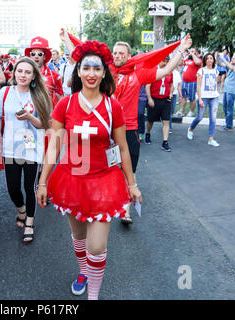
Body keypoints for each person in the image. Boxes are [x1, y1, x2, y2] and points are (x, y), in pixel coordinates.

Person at [37, 40, 142, 300]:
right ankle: (83, 271)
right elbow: (54, 146)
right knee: (79, 236)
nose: (92, 74)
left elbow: (123, 149)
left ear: (104, 72)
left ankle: (93, 295)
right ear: (79, 72)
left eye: (97, 68)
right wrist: (42, 182)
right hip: (72, 180)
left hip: (105, 181)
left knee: (97, 246)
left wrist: (132, 184)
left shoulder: (112, 106)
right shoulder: (66, 104)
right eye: (86, 68)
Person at [62, 30, 192, 224]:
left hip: (129, 129)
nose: (118, 56)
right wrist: (66, 40)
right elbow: (80, 57)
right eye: (115, 52)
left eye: (122, 53)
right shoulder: (105, 71)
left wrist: (180, 50)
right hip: (105, 129)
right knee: (104, 168)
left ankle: (125, 209)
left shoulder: (138, 73)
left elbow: (165, 71)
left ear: (129, 56)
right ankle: (102, 202)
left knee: (129, 169)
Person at [0, 57, 51, 242]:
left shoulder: (39, 95)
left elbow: (44, 125)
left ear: (33, 76)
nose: (23, 75)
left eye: (27, 72)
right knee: (12, 187)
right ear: (14, 73)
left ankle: (30, 222)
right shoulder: (5, 92)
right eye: (20, 71)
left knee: (29, 187)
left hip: (32, 148)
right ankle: (21, 209)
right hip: (10, 147)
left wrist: (30, 117)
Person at [187, 53, 220, 147]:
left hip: (214, 97)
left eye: (211, 58)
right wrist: (200, 98)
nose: (209, 60)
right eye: (207, 58)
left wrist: (216, 93)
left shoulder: (216, 71)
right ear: (205, 60)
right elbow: (198, 85)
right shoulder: (201, 71)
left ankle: (211, 139)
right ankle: (190, 129)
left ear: (213, 60)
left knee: (213, 118)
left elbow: (215, 84)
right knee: (200, 117)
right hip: (204, 97)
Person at [145, 56, 174, 151]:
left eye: (167, 61)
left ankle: (165, 142)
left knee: (166, 121)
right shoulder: (153, 71)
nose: (165, 63)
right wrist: (149, 99)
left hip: (165, 100)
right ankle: (148, 133)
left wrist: (170, 94)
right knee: (150, 120)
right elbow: (147, 86)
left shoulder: (169, 72)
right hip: (154, 99)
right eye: (163, 61)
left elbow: (171, 84)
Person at [25, 37, 64, 107]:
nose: (36, 56)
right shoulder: (23, 74)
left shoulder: (54, 76)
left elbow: (60, 99)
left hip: (46, 116)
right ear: (30, 56)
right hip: (27, 115)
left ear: (44, 57)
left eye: (39, 54)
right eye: (33, 54)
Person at [175, 48, 202, 117]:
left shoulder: (199, 60)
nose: (190, 52)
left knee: (192, 98)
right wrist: (181, 54)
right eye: (190, 51)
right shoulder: (187, 59)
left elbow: (198, 63)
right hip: (184, 81)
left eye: (193, 51)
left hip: (192, 82)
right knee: (184, 97)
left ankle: (191, 112)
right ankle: (181, 111)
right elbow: (180, 64)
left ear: (197, 53)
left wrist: (192, 54)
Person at [219, 54, 235, 132]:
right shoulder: (230, 65)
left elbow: (232, 68)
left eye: (234, 58)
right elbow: (220, 64)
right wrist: (217, 57)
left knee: (229, 108)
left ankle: (229, 126)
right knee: (225, 107)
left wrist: (223, 58)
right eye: (232, 58)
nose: (232, 59)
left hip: (232, 91)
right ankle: (227, 123)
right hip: (226, 90)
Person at [170, 64, 182, 132]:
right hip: (167, 94)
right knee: (168, 111)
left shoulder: (177, 73)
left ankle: (164, 119)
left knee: (172, 110)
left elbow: (179, 85)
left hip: (174, 94)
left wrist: (180, 96)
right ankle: (169, 127)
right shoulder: (167, 72)